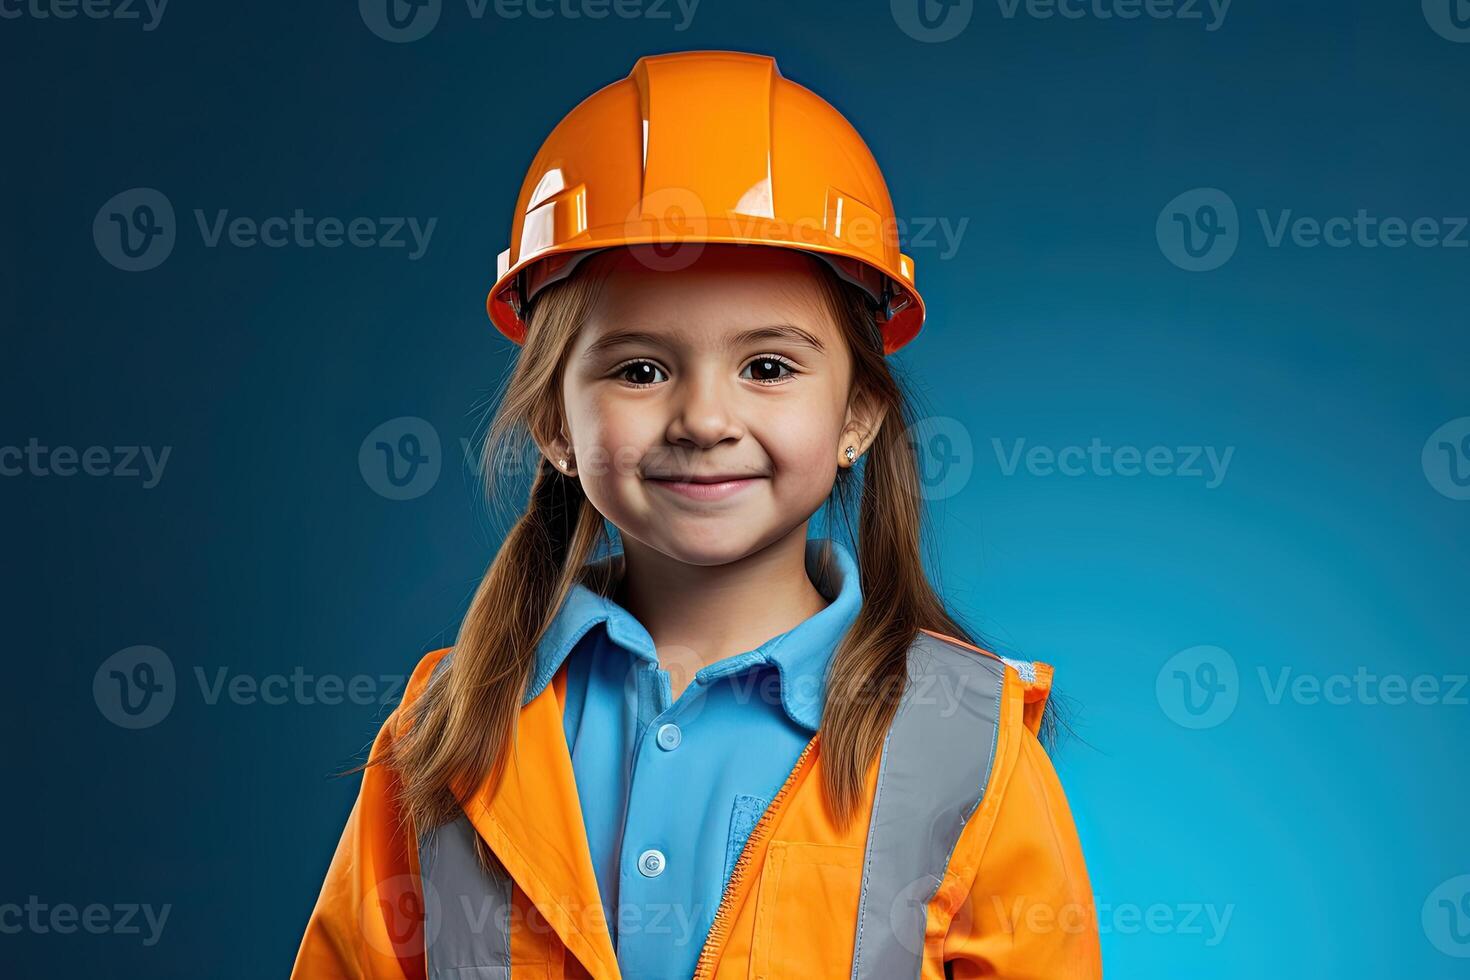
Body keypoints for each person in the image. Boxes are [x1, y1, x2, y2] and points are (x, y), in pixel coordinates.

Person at [291, 49, 1101, 980]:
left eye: (768, 367)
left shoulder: (965, 745)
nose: (706, 420)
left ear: (857, 417)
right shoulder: (445, 725)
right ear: (555, 420)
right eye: (640, 369)